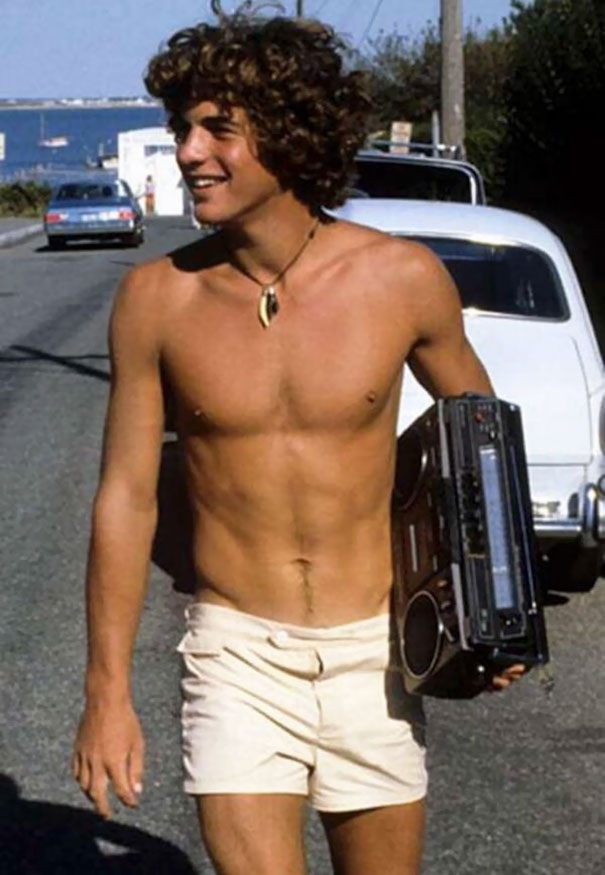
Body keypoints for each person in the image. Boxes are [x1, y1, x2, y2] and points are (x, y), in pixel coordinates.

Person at [72, 7, 525, 874]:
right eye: (182, 128)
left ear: (289, 134)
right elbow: (125, 498)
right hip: (234, 651)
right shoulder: (156, 300)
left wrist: (496, 608)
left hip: (373, 653)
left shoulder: (400, 279)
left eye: (218, 129)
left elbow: (484, 446)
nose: (189, 152)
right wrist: (106, 691)